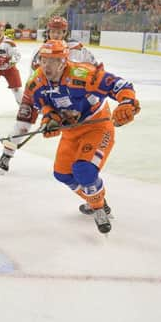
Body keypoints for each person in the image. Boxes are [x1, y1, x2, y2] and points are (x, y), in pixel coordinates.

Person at [29, 40, 140, 234]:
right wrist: (50, 120)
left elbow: (120, 84)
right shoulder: (36, 82)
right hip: (71, 133)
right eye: (44, 60)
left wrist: (126, 102)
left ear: (64, 61)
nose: (46, 65)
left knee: (84, 170)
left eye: (53, 61)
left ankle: (98, 209)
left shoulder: (83, 74)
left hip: (97, 126)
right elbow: (43, 105)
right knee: (62, 173)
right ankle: (95, 198)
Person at [0, 15, 99, 173]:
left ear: (65, 32)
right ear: (48, 32)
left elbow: (95, 70)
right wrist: (43, 103)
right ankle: (7, 154)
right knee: (22, 125)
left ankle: (75, 159)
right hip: (39, 92)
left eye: (59, 32)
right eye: (53, 31)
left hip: (67, 96)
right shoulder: (41, 51)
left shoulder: (78, 50)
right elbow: (34, 75)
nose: (56, 35)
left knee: (76, 127)